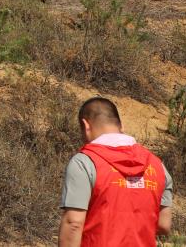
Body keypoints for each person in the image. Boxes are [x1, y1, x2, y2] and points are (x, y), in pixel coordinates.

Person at [58, 97, 172, 247]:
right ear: (121, 125)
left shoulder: (84, 162)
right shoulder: (158, 165)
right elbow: (164, 224)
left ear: (86, 125)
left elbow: (73, 223)